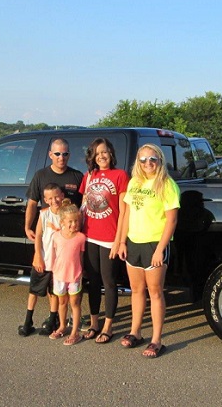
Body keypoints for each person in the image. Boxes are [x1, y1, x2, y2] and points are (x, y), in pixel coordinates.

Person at [118, 144, 180, 358]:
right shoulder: (135, 182)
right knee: (136, 290)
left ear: (160, 160)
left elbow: (172, 220)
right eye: (143, 160)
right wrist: (123, 241)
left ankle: (156, 340)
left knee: (155, 292)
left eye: (152, 159)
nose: (148, 163)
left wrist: (160, 250)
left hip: (154, 244)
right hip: (134, 242)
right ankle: (135, 332)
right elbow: (127, 214)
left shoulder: (166, 184)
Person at [24, 138, 83, 334]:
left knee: (71, 281)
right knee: (53, 284)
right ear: (50, 155)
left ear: (69, 155)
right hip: (49, 244)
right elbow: (32, 203)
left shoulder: (76, 176)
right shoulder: (40, 175)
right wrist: (27, 227)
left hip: (70, 245)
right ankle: (55, 318)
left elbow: (84, 207)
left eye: (65, 153)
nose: (61, 157)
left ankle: (71, 317)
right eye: (57, 153)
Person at [79, 137, 129, 344]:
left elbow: (125, 211)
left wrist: (119, 240)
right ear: (93, 156)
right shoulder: (89, 176)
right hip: (90, 235)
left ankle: (108, 326)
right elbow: (83, 205)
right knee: (92, 282)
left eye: (105, 152)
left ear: (111, 154)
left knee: (109, 282)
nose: (102, 156)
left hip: (110, 238)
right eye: (98, 153)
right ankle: (94, 323)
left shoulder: (120, 175)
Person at [17, 183, 64, 337]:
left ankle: (51, 321)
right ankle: (27, 321)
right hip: (43, 259)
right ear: (45, 199)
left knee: (54, 293)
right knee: (34, 290)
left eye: (57, 196)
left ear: (62, 196)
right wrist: (37, 255)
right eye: (50, 198)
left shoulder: (67, 214)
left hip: (58, 263)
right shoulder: (44, 214)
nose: (54, 200)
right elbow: (38, 235)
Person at [47, 200, 87, 346]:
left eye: (76, 221)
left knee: (75, 303)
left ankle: (74, 332)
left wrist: (81, 272)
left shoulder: (81, 238)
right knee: (62, 302)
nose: (74, 224)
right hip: (59, 276)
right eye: (70, 221)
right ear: (62, 221)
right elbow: (53, 255)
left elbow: (81, 258)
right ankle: (62, 326)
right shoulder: (56, 236)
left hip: (74, 276)